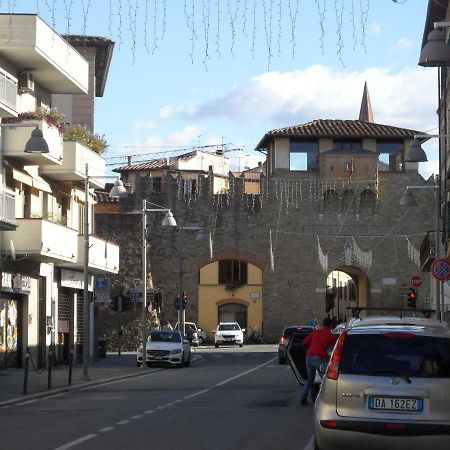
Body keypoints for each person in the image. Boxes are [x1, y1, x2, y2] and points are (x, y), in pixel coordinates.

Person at [300, 317, 337, 405]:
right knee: (325, 378)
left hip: (309, 356)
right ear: (331, 325)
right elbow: (334, 349)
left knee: (310, 380)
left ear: (323, 324)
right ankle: (326, 398)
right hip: (319, 358)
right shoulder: (331, 336)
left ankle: (303, 398)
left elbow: (304, 342)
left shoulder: (315, 332)